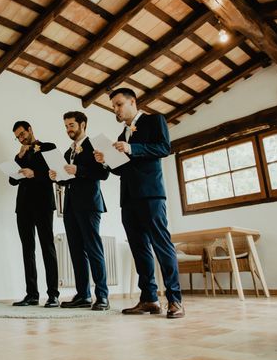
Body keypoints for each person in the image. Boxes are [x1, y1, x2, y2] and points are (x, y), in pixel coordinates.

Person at [94, 88, 184, 319]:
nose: (115, 109)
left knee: (162, 245)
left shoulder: (155, 120)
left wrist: (132, 148)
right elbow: (124, 168)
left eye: (119, 104)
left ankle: (175, 300)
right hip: (129, 197)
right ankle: (149, 299)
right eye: (113, 106)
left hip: (151, 194)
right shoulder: (122, 134)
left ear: (133, 102)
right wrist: (107, 161)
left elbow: (164, 148)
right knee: (139, 249)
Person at [49, 111, 110, 311]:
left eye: (71, 125)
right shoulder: (68, 152)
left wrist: (79, 171)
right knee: (76, 251)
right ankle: (83, 295)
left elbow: (103, 173)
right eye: (66, 126)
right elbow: (67, 178)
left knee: (94, 249)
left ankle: (102, 296)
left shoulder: (95, 146)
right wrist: (56, 175)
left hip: (90, 204)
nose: (68, 130)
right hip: (70, 206)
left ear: (83, 124)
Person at [9, 121, 60, 308]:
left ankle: (53, 295)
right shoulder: (20, 154)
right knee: (27, 249)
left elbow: (58, 173)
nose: (21, 139)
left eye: (22, 134)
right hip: (23, 206)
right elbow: (12, 180)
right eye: (18, 137)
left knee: (47, 247)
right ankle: (32, 294)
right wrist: (19, 158)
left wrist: (35, 174)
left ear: (30, 129)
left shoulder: (48, 147)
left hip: (43, 204)